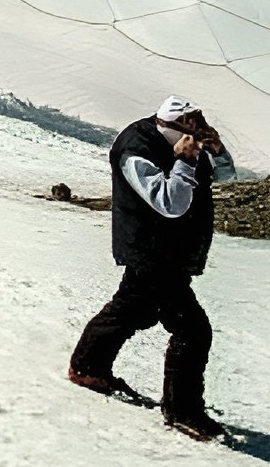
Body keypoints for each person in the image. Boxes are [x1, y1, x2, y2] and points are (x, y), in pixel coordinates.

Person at [67, 93, 227, 441]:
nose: (196, 137)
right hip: (152, 251)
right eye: (191, 131)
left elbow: (227, 176)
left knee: (132, 309)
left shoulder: (184, 142)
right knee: (192, 330)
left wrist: (216, 149)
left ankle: (87, 367)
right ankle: (182, 411)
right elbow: (169, 203)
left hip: (171, 251)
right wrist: (185, 161)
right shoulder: (137, 148)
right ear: (169, 126)